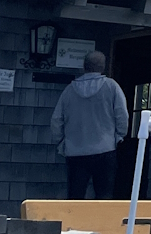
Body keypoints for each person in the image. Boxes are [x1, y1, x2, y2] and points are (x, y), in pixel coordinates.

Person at [51, 49, 129, 198]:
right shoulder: (112, 87)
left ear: (84, 66)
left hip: (75, 151)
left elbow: (56, 120)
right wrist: (119, 136)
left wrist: (61, 142)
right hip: (105, 149)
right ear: (103, 66)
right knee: (104, 197)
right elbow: (122, 115)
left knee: (75, 197)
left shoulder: (69, 90)